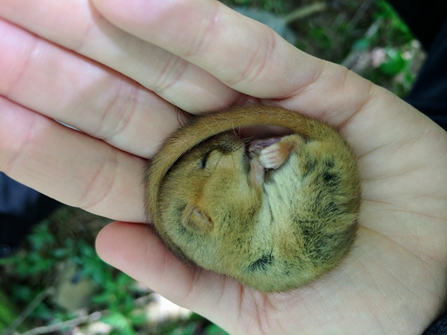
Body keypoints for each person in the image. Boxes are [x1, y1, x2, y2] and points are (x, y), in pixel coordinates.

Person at [0, 0, 446, 334]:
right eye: (210, 158)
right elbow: (253, 210)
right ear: (201, 215)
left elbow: (249, 206)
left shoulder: (212, 224)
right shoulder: (225, 230)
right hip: (307, 220)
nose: (229, 148)